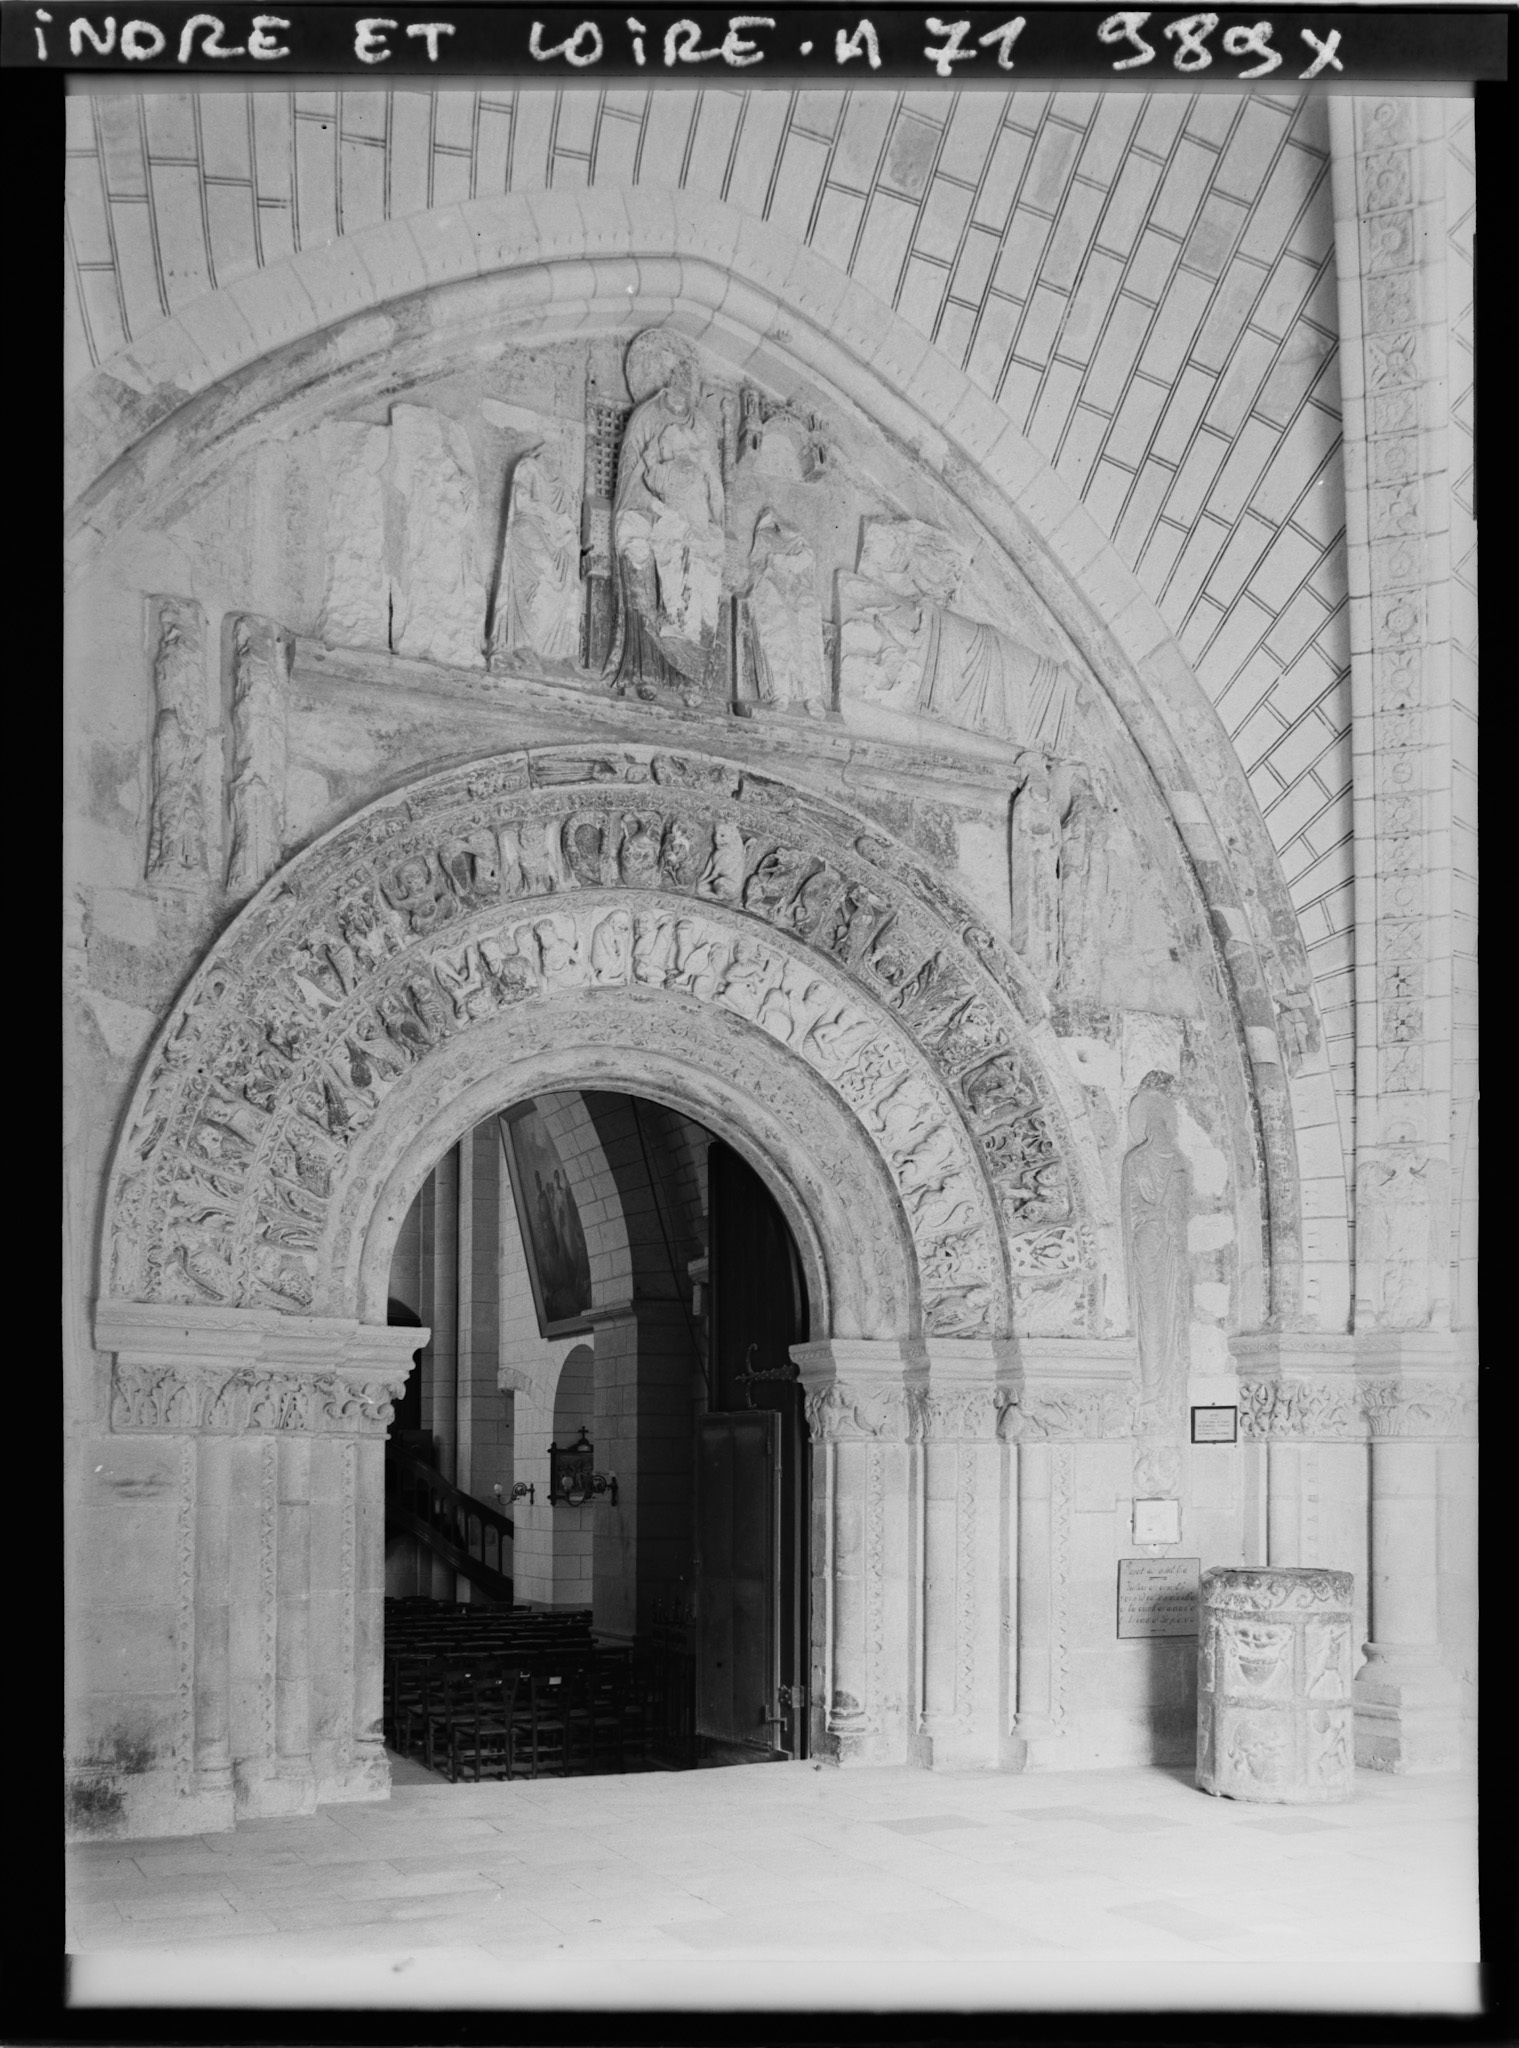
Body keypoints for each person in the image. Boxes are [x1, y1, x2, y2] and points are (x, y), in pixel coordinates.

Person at [609, 331, 725, 699]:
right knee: (642, 547)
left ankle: (693, 677)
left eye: (690, 391)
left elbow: (713, 484)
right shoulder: (645, 417)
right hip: (645, 506)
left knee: (704, 568)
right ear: (668, 385)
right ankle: (647, 670)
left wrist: (710, 526)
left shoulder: (703, 429)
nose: (683, 396)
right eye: (678, 387)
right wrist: (659, 506)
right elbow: (633, 471)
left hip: (690, 517)